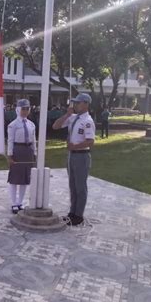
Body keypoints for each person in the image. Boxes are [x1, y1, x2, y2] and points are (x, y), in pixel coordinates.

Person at [52, 93, 96, 226]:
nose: (75, 105)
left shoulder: (87, 121)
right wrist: (66, 115)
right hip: (72, 155)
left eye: (78, 103)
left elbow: (90, 141)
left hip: (82, 156)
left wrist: (75, 145)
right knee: (72, 185)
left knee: (80, 187)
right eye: (75, 103)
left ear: (86, 104)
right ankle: (72, 212)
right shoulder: (73, 118)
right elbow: (55, 126)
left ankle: (79, 215)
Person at [6, 99, 37, 214]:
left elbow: (34, 140)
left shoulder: (31, 124)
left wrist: (35, 153)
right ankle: (14, 203)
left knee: (25, 178)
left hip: (28, 151)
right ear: (18, 109)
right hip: (17, 150)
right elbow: (10, 141)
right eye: (23, 109)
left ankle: (20, 202)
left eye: (27, 109)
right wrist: (9, 155)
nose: (25, 111)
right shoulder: (13, 125)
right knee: (15, 178)